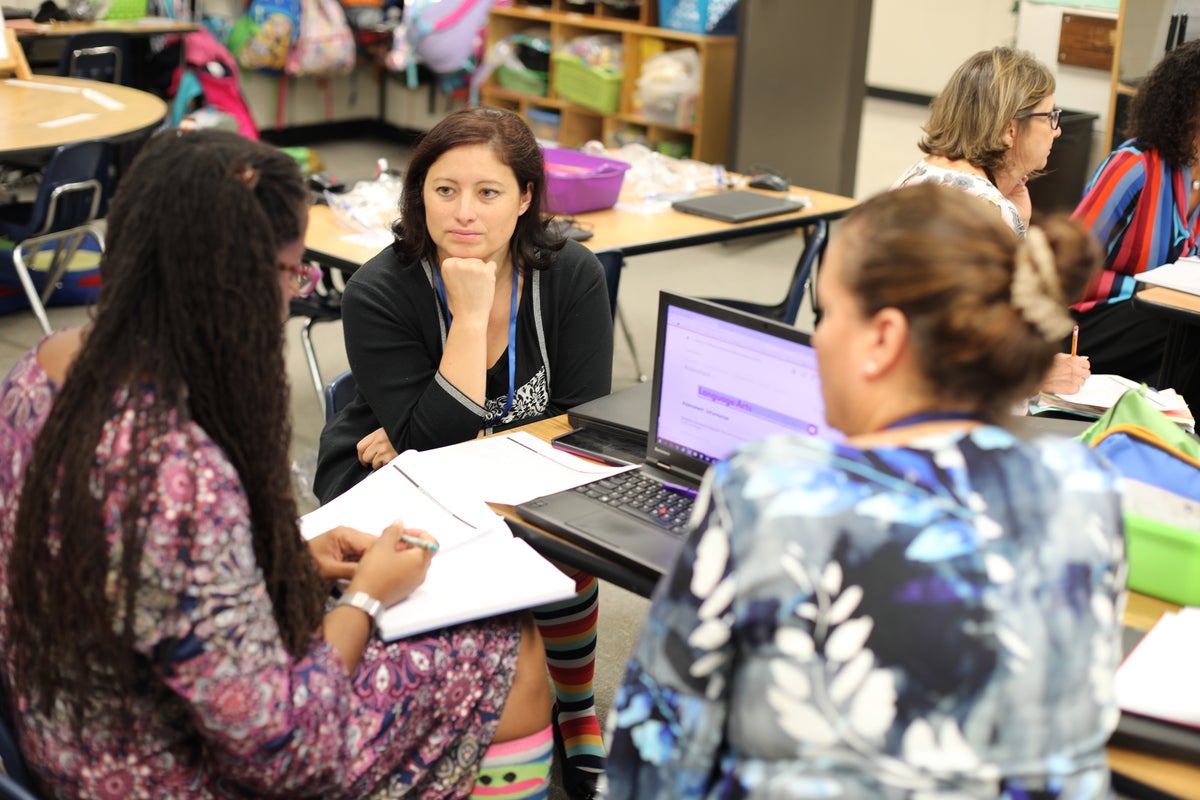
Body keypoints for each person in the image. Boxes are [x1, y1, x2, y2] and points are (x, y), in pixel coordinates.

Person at [0, 129, 554, 800]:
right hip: (163, 775)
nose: (295, 294)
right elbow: (287, 750)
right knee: (504, 647)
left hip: (57, 731)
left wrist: (276, 558)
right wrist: (368, 597)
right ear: (238, 281)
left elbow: (143, 576)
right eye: (294, 272)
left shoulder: (44, 367)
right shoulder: (179, 473)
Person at [602, 184, 1126, 799]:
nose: (817, 340)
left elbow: (653, 756)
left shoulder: (769, 489)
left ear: (882, 339)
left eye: (827, 316)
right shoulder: (1083, 489)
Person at [314, 106, 614, 796]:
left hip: (509, 463)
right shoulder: (380, 290)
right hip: (386, 481)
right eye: (444, 190)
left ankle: (578, 711)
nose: (464, 214)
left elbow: (583, 422)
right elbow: (434, 447)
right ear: (420, 195)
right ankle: (498, 714)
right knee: (461, 578)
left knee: (563, 537)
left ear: (527, 198)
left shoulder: (572, 275)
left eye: (489, 192)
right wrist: (473, 316)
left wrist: (445, 429)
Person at [895, 46, 1089, 397]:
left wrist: (1020, 223)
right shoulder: (988, 209)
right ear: (1010, 131)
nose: (1057, 131)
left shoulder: (920, 173)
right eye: (1050, 117)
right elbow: (962, 353)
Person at [1071, 38, 1200, 385]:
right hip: (1082, 325)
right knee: (1186, 337)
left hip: (1163, 320)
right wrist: (1148, 291)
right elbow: (1065, 270)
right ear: (1185, 111)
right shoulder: (1133, 167)